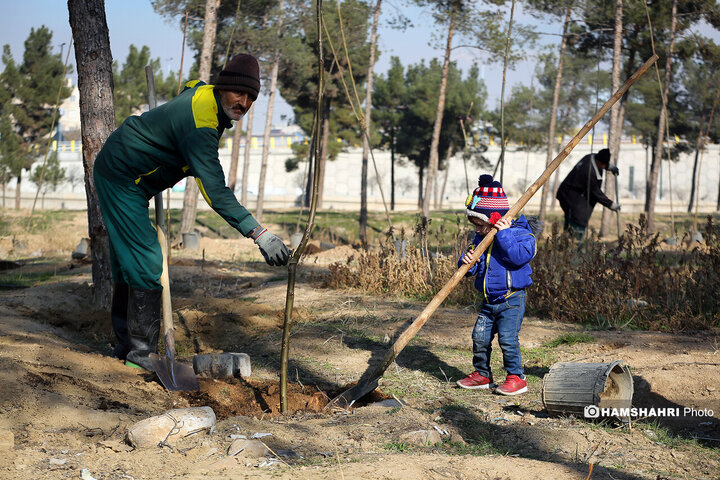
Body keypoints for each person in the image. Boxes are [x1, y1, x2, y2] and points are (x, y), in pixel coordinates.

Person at [94, 53, 290, 370]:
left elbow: (191, 86)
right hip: (122, 176)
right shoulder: (201, 127)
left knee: (129, 261)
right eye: (238, 93)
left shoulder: (204, 94)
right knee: (146, 259)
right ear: (223, 87)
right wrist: (259, 233)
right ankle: (140, 354)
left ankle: (125, 345)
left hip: (135, 177)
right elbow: (214, 191)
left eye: (251, 96)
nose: (243, 101)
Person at [456, 175, 537, 396]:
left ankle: (516, 377)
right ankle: (482, 374)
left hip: (511, 299)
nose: (478, 230)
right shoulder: (480, 237)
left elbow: (519, 257)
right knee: (479, 336)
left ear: (494, 219)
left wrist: (504, 234)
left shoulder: (520, 233)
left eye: (481, 225)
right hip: (489, 300)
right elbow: (474, 266)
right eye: (475, 225)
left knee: (507, 339)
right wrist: (467, 262)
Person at [556, 148, 621, 241]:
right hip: (569, 196)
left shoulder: (591, 157)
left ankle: (567, 243)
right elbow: (596, 193)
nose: (603, 167)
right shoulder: (588, 172)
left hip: (575, 193)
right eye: (602, 164)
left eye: (605, 164)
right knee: (577, 220)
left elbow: (601, 162)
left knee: (574, 218)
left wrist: (609, 167)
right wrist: (611, 205)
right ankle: (573, 246)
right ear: (598, 160)